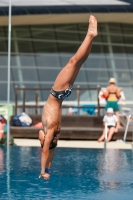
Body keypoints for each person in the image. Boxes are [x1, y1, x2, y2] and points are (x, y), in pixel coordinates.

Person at [38, 15, 98, 180]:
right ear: (46, 141)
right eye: (41, 140)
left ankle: (91, 35)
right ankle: (90, 34)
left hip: (63, 95)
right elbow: (45, 152)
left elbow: (49, 154)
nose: (38, 137)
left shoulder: (54, 134)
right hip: (57, 93)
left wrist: (48, 171)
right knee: (73, 61)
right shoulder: (50, 131)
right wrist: (42, 171)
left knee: (78, 62)